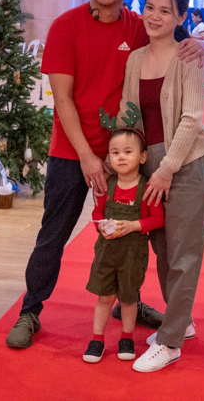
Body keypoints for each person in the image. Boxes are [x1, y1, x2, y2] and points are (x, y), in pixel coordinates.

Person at [5, 0, 204, 350]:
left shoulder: (137, 24)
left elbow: (182, 42)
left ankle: (125, 302)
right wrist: (86, 157)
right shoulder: (66, 26)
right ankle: (30, 309)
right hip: (72, 153)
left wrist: (202, 46)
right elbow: (62, 100)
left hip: (127, 158)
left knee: (131, 236)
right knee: (54, 233)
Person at [115, 0, 204, 372]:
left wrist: (167, 169)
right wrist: (126, 159)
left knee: (183, 254)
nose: (155, 16)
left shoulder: (188, 56)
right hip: (150, 163)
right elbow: (128, 110)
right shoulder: (135, 58)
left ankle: (170, 341)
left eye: (165, 10)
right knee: (160, 247)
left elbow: (191, 118)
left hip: (187, 163)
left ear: (180, 17)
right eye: (150, 7)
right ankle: (182, 322)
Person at [83, 128, 165, 363]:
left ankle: (126, 337)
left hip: (133, 254)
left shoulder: (148, 187)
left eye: (128, 152)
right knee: (104, 297)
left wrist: (133, 226)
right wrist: (100, 227)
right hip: (106, 253)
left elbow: (157, 219)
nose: (121, 157)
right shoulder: (105, 186)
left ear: (142, 157)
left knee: (129, 298)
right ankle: (97, 338)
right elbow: (97, 212)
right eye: (115, 152)